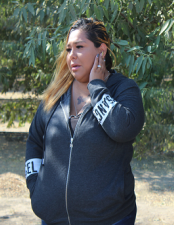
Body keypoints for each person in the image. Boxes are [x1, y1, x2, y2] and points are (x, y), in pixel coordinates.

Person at [24, 18, 145, 225]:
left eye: (80, 47)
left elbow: (123, 129)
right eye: (69, 49)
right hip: (54, 219)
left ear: (102, 51)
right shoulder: (55, 96)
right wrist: (35, 185)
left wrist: (97, 86)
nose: (72, 56)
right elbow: (34, 142)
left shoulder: (123, 90)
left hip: (110, 219)